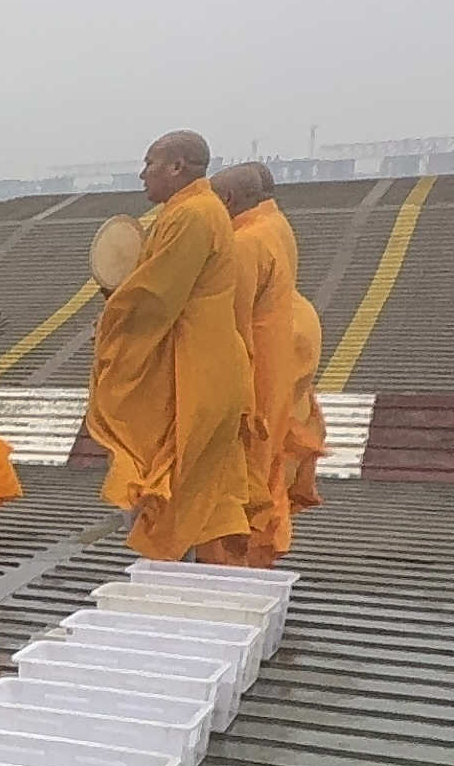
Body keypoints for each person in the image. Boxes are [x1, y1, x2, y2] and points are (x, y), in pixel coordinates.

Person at [84, 132, 257, 562]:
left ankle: (172, 578)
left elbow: (155, 297)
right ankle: (177, 573)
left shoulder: (193, 215)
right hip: (201, 360)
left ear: (177, 167)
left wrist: (111, 320)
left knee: (175, 482)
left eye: (150, 164)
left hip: (193, 368)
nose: (143, 174)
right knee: (186, 484)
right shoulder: (189, 211)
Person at [211, 163, 323, 567]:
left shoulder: (245, 243)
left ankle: (234, 570)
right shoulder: (275, 224)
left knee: (244, 480)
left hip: (259, 371)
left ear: (226, 201)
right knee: (267, 466)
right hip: (285, 355)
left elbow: (230, 327)